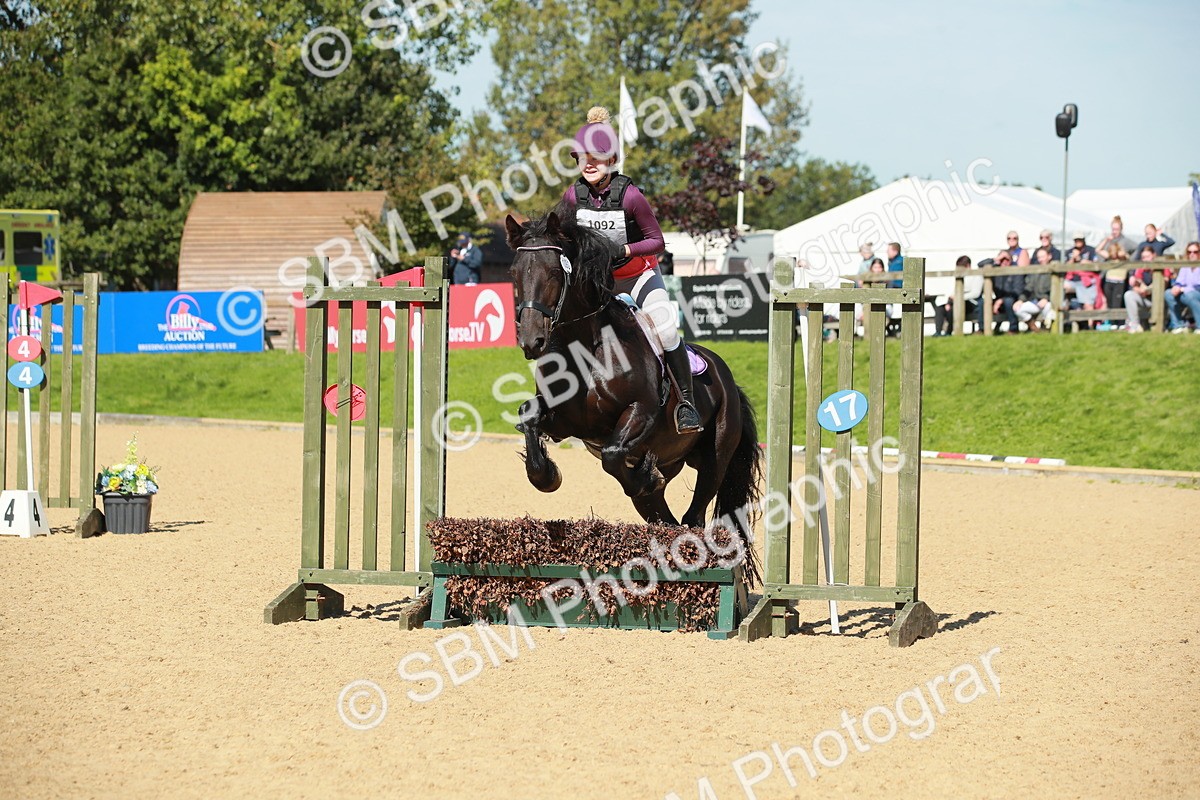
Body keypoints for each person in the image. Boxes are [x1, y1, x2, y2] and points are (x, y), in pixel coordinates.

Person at [561, 106, 700, 434]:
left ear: (611, 160)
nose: (589, 164)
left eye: (596, 157)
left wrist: (622, 249)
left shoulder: (631, 196)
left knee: (665, 330)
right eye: (583, 158)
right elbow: (564, 236)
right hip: (601, 284)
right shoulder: (573, 195)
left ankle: (686, 404)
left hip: (638, 277)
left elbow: (657, 242)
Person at [1016, 247, 1055, 332]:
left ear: (1049, 256)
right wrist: (1021, 300)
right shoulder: (1035, 270)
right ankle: (1034, 327)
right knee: (1018, 308)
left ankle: (1046, 329)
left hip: (1050, 301)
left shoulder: (1054, 270)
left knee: (1048, 308)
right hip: (1036, 301)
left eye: (1043, 257)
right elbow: (1029, 287)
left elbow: (1056, 289)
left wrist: (1046, 298)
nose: (1040, 259)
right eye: (1039, 257)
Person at [1164, 241, 1200, 333]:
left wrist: (1183, 289)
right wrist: (1176, 287)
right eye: (1189, 252)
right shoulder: (1186, 266)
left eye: (1195, 252)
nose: (1192, 254)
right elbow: (1180, 281)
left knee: (1191, 295)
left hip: (1195, 294)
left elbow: (1198, 286)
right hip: (1185, 294)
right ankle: (1178, 325)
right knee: (1168, 294)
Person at [931, 255, 972, 336]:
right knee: (940, 308)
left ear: (968, 266)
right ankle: (938, 332)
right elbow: (951, 291)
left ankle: (949, 332)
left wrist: (956, 299)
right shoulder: (956, 277)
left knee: (952, 309)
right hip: (953, 300)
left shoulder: (974, 277)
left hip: (968, 302)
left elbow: (974, 293)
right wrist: (948, 302)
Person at [1064, 233, 1102, 315]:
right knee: (1062, 287)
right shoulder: (1069, 252)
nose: (1078, 242)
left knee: (1088, 304)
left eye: (1079, 239)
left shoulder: (1090, 250)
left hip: (1087, 280)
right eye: (1076, 240)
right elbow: (1065, 267)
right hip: (1073, 280)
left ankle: (1090, 324)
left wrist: (1080, 259)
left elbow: (1096, 266)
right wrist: (1073, 259)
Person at [989, 250, 1025, 334]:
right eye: (1002, 259)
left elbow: (1017, 290)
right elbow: (980, 265)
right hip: (998, 299)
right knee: (984, 303)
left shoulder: (1016, 270)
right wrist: (996, 259)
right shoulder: (995, 269)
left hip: (1013, 299)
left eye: (1007, 259)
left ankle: (1013, 329)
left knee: (1008, 301)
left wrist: (1001, 300)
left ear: (1011, 260)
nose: (1004, 262)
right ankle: (984, 329)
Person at [1123, 248, 1157, 333]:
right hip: (1145, 299)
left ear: (1153, 256)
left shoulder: (1160, 268)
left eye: (1147, 257)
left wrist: (1147, 289)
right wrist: (1140, 290)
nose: (1145, 259)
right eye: (1143, 257)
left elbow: (1163, 283)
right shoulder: (1140, 269)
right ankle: (1135, 326)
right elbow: (1136, 287)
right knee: (1129, 295)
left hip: (1158, 300)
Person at [1100, 241, 1130, 310]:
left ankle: (1116, 320)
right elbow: (1098, 250)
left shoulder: (1123, 258)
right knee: (1109, 304)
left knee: (1116, 305)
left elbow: (1123, 253)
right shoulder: (1109, 257)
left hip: (1119, 283)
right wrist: (1106, 239)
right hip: (1108, 282)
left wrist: (1118, 249)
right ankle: (1110, 320)